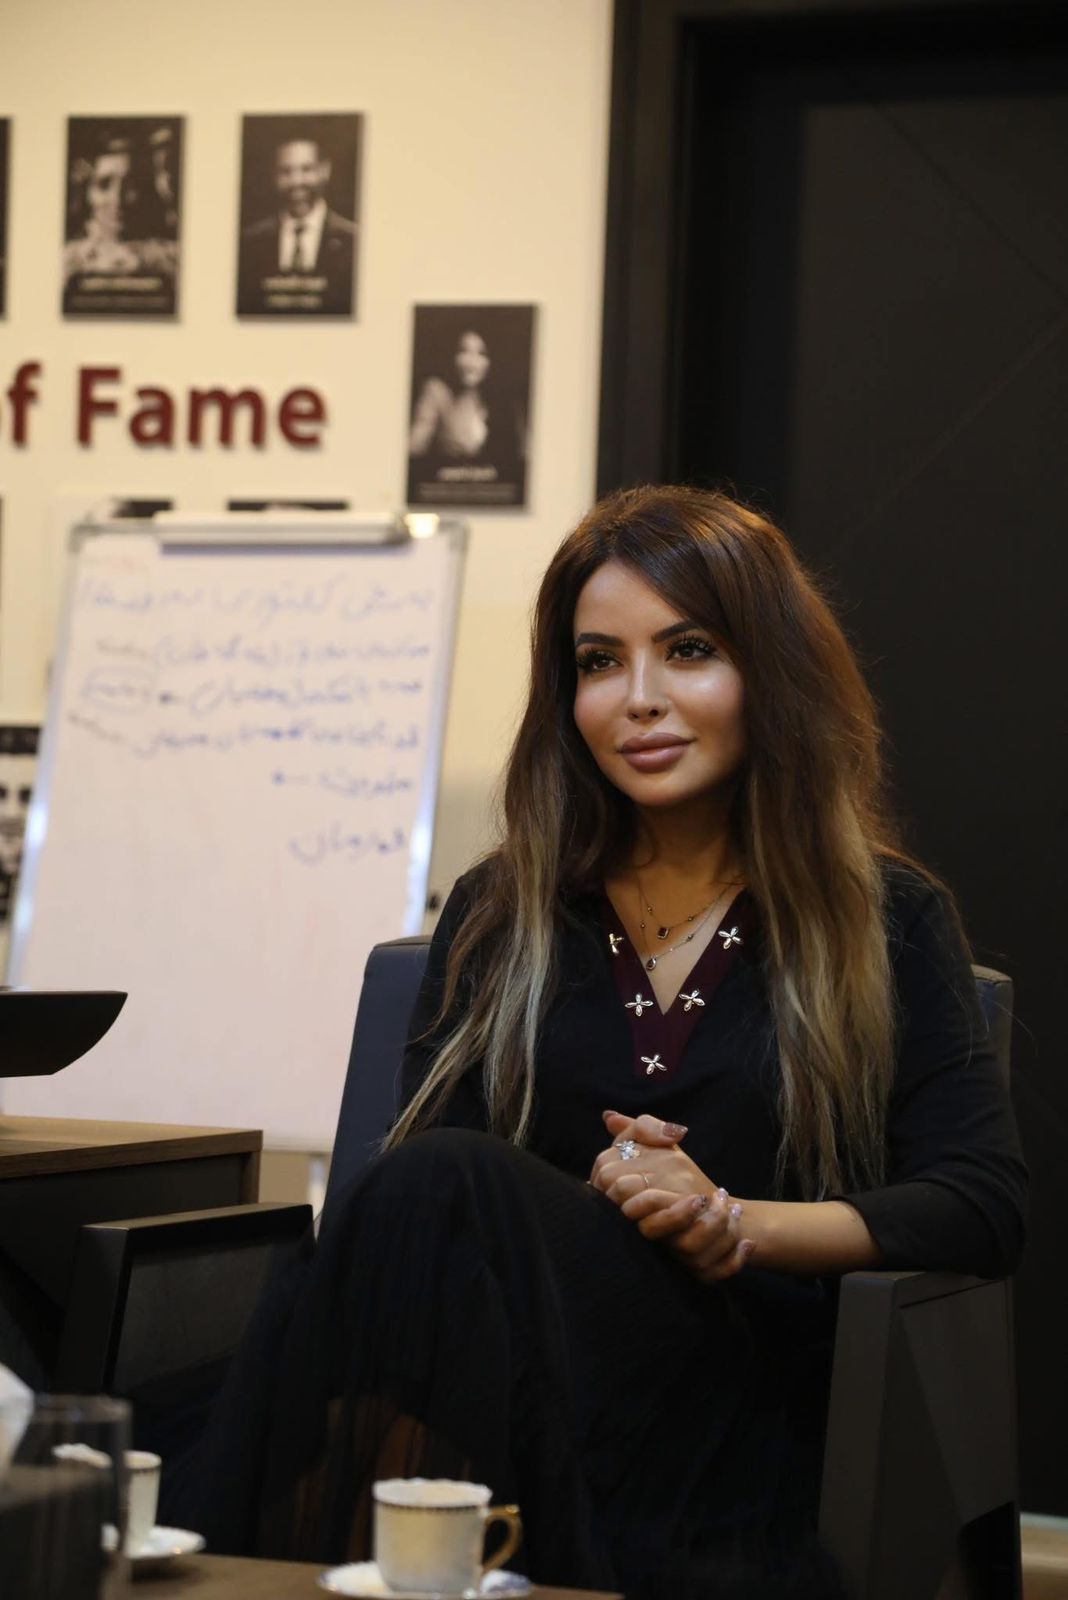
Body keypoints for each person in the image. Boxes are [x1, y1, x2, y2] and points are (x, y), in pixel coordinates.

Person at [176, 486, 1026, 1598]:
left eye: (688, 650)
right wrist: (599, 1202)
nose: (640, 699)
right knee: (426, 1188)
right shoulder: (505, 910)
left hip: (744, 1403)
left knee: (426, 1196)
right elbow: (422, 1211)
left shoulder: (882, 917)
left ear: (770, 671)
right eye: (597, 662)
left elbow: (979, 1201)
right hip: (510, 1395)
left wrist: (729, 1222)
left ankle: (203, 1546)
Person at [238, 136, 356, 315]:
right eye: (285, 171)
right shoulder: (250, 241)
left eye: (306, 169)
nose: (296, 181)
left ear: (325, 171)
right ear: (274, 176)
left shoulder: (353, 240)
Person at [407, 325, 528, 497]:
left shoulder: (507, 400)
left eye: (481, 354)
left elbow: (524, 457)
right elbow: (415, 447)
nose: (470, 363)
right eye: (463, 351)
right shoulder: (436, 391)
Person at [61, 128, 178, 290]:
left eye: (131, 185)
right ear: (87, 192)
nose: (117, 199)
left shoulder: (173, 261)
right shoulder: (66, 262)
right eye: (104, 185)